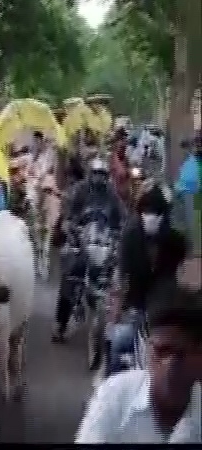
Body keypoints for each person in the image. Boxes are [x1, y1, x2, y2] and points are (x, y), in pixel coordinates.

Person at [76, 279, 201, 443]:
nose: (170, 365)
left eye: (183, 354)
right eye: (162, 351)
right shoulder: (114, 394)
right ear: (147, 350)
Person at [105, 181, 185, 377]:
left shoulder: (176, 243)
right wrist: (114, 317)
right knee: (117, 343)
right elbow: (122, 278)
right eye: (147, 211)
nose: (151, 216)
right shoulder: (130, 238)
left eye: (156, 212)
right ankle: (105, 384)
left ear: (164, 216)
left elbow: (184, 278)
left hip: (167, 312)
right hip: (136, 307)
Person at [52, 157, 124, 342]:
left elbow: (121, 216)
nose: (99, 178)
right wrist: (69, 224)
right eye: (96, 174)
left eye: (102, 175)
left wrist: (121, 231)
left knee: (115, 279)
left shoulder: (112, 194)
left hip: (102, 242)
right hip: (79, 239)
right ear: (90, 174)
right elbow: (67, 210)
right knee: (68, 280)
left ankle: (113, 324)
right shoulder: (79, 190)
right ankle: (60, 325)